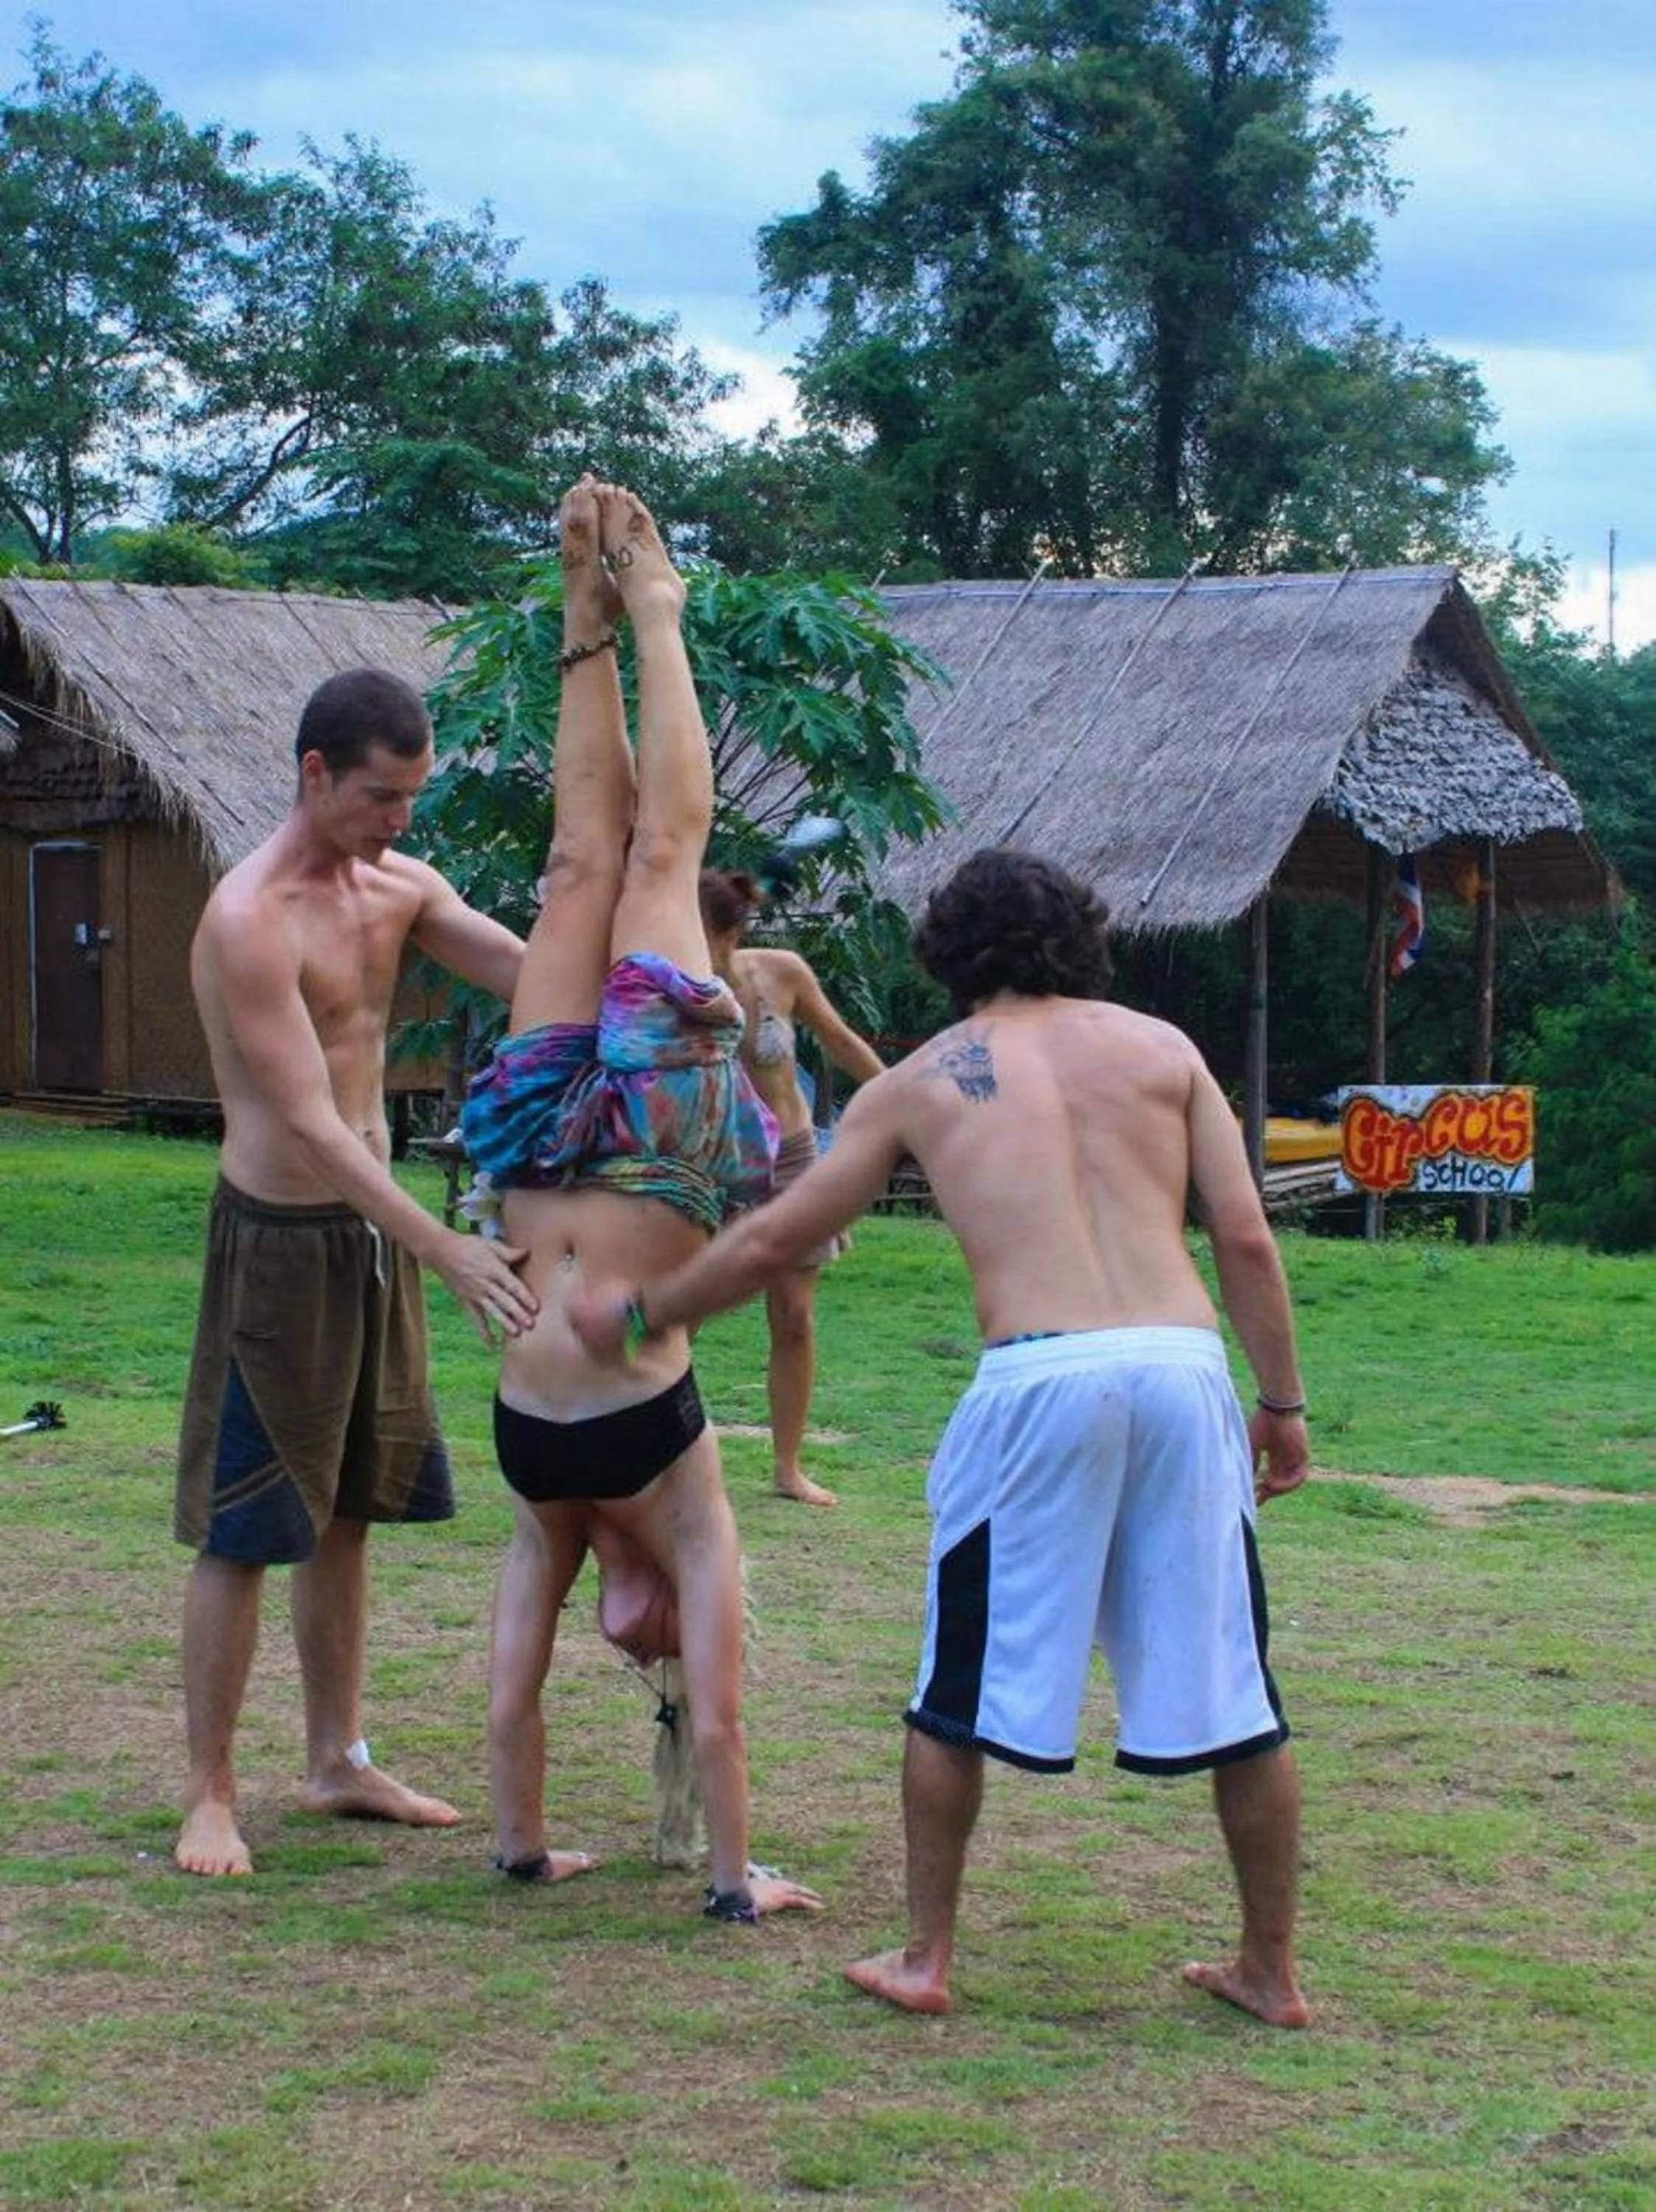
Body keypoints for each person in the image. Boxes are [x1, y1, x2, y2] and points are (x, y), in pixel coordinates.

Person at [573, 846, 1312, 2020]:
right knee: (1235, 1688)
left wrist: (648, 1309)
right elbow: (1245, 1239)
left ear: (947, 955)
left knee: (958, 1680)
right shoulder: (1162, 1051)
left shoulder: (921, 1080)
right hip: (1182, 1369)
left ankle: (926, 1958)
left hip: (1040, 1374)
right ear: (1080, 935)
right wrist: (1280, 1402)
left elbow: (773, 1240)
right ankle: (1269, 1973)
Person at [457, 475, 819, 1921]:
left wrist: (523, 1849)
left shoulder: (555, 1521)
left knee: (576, 867)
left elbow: (504, 1700)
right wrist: (738, 1882)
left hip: (536, 1159)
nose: (635, 1638)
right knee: (658, 860)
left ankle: (584, 615)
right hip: (660, 1153)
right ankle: (649, 610)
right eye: (653, 1644)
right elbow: (717, 1722)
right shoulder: (683, 1508)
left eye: (639, 1643)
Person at [174, 667, 540, 1879]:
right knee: (247, 1525)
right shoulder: (246, 918)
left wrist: (662, 997)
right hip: (283, 1239)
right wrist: (442, 1244)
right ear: (315, 772)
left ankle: (337, 1759)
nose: (399, 820)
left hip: (373, 1240)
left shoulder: (401, 887)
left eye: (413, 798)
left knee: (346, 1516)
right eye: (381, 795)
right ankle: (211, 1793)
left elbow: (529, 973)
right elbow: (315, 1126)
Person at [700, 869, 884, 1505]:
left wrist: (904, 1106)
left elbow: (840, 1040)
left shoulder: (781, 971)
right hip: (710, 1165)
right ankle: (656, 1454)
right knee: (681, 1314)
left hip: (793, 1160)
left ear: (732, 928)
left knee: (795, 1316)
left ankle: (788, 1468)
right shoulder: (665, 984)